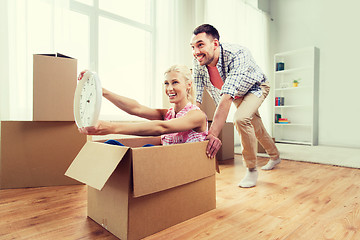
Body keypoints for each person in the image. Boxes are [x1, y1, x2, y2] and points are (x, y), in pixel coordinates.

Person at [190, 24, 280, 188]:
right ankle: (275, 156)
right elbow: (198, 91)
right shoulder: (199, 60)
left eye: (200, 45)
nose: (196, 52)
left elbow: (227, 97)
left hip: (256, 87)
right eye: (193, 47)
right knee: (256, 127)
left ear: (215, 43)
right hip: (238, 93)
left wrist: (212, 135)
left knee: (240, 119)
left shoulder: (238, 54)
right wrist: (191, 117)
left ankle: (251, 169)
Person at [79, 65, 208, 146]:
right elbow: (136, 108)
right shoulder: (168, 114)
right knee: (111, 144)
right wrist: (102, 91)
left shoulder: (197, 115)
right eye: (166, 83)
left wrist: (111, 127)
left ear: (188, 85)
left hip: (183, 166)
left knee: (147, 149)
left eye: (175, 82)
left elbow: (162, 127)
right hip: (168, 163)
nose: (169, 88)